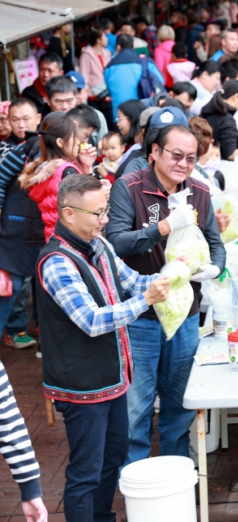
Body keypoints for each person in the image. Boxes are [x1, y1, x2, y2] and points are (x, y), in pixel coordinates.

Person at [38, 174, 173, 522]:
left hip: (113, 380)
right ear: (68, 213)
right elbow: (92, 321)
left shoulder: (100, 245)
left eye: (106, 210)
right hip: (82, 386)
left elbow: (131, 281)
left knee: (113, 457)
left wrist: (175, 274)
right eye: (97, 213)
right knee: (86, 471)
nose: (105, 220)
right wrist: (146, 300)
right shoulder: (57, 261)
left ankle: (103, 517)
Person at [106, 124, 225, 468]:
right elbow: (115, 242)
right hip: (140, 315)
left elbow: (215, 244)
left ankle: (176, 474)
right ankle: (137, 482)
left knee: (179, 400)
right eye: (176, 155)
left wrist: (213, 269)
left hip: (185, 315)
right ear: (154, 152)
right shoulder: (128, 188)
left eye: (191, 158)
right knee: (137, 406)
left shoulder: (200, 192)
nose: (184, 164)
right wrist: (163, 227)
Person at [0, 99, 42, 351]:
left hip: (37, 226)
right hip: (14, 228)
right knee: (12, 286)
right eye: (15, 119)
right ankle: (14, 329)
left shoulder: (42, 144)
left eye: (26, 118)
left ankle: (38, 330)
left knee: (39, 281)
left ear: (38, 118)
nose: (21, 124)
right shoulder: (13, 150)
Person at [19, 114, 98, 243]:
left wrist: (87, 167)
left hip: (54, 239)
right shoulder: (66, 171)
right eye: (74, 137)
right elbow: (89, 206)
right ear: (60, 142)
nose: (79, 142)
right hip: (72, 241)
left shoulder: (45, 169)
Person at [104, 34, 164, 117]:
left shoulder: (109, 67)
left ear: (118, 47)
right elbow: (160, 81)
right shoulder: (145, 62)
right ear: (133, 46)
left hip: (119, 114)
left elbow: (108, 88)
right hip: (143, 111)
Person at [78, 28, 111, 99]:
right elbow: (84, 76)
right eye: (104, 36)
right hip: (93, 94)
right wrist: (84, 95)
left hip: (106, 92)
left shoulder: (106, 53)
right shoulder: (86, 55)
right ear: (98, 40)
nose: (106, 39)